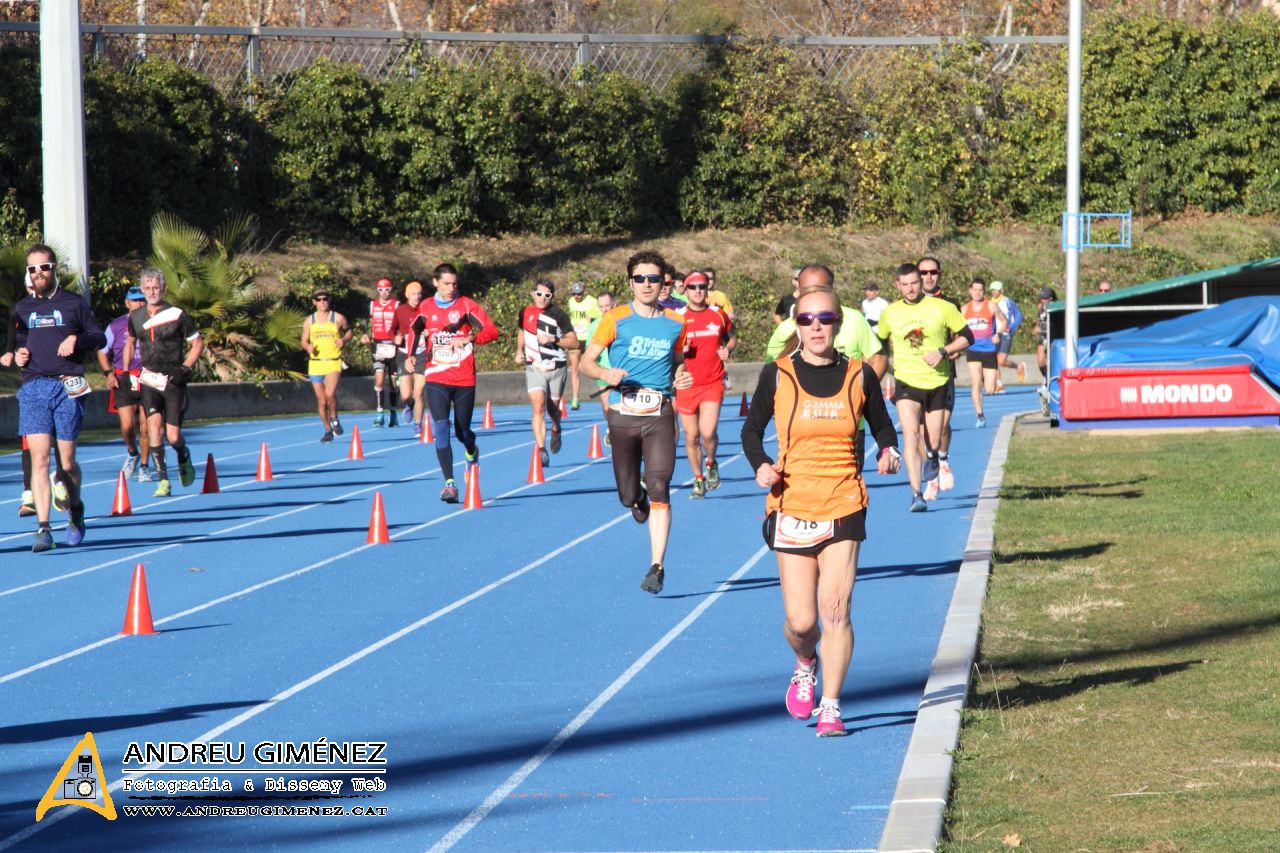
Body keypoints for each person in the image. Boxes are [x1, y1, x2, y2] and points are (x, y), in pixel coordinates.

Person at [742, 284, 902, 737]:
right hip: (792, 502)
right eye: (807, 319)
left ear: (839, 323)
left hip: (844, 502)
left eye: (825, 319)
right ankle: (804, 660)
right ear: (796, 324)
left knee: (836, 608)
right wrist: (761, 468)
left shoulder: (859, 374)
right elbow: (752, 432)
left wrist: (889, 450)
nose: (816, 327)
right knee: (802, 621)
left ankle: (831, 706)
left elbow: (882, 424)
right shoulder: (778, 374)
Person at [580, 250, 693, 594]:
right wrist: (605, 373)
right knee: (629, 494)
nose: (647, 284)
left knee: (660, 484)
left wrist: (681, 376)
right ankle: (636, 499)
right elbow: (586, 362)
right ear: (630, 282)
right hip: (623, 413)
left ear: (663, 283)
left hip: (660, 412)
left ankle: (657, 565)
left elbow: (678, 364)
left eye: (653, 278)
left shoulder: (676, 323)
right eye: (640, 278)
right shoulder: (615, 318)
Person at [12, 244, 106, 551]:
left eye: (44, 267)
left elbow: (99, 337)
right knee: (39, 459)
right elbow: (20, 341)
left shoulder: (74, 304)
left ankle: (75, 510)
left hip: (68, 386)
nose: (39, 273)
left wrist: (76, 338)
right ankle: (43, 527)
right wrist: (19, 353)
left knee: (65, 463)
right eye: (33, 269)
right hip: (34, 386)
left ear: (54, 269)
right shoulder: (23, 308)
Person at [876, 262, 972, 511]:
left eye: (914, 283)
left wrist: (943, 351)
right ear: (898, 285)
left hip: (937, 381)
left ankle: (933, 457)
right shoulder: (890, 313)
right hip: (906, 381)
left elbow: (967, 336)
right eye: (905, 285)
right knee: (910, 435)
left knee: (935, 438)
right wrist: (885, 368)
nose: (910, 289)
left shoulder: (942, 308)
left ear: (922, 283)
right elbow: (881, 343)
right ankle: (916, 493)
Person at [407, 263, 500, 503]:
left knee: (462, 431)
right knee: (440, 429)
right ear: (435, 282)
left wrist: (472, 337)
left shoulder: (467, 306)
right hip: (436, 376)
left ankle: (471, 451)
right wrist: (410, 356)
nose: (451, 288)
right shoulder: (425, 307)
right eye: (446, 283)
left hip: (463, 378)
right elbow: (414, 330)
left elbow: (492, 330)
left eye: (455, 284)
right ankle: (450, 484)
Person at [122, 268, 204, 497]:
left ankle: (182, 454)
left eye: (155, 287)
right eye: (147, 288)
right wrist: (127, 373)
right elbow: (129, 343)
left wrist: (184, 368)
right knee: (153, 430)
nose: (151, 292)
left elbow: (197, 344)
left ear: (164, 288)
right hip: (149, 379)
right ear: (142, 290)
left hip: (173, 380)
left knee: (173, 436)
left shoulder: (177, 314)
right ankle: (163, 480)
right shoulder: (136, 317)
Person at [5, 278, 71, 515]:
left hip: (60, 382)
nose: (35, 292)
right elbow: (11, 343)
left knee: (60, 441)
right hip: (32, 384)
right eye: (31, 288)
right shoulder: (20, 310)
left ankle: (60, 479)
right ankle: (29, 493)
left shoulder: (64, 308)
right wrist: (12, 354)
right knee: (31, 441)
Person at [676, 271, 735, 499]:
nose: (698, 291)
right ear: (686, 290)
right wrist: (681, 351)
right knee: (691, 436)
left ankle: (711, 462)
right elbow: (670, 350)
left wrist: (727, 349)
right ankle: (698, 479)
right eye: (693, 287)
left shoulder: (717, 314)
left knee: (707, 432)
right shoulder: (677, 317)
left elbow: (732, 337)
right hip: (687, 384)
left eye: (702, 286)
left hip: (712, 381)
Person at [515, 280, 577, 467]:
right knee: (538, 406)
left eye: (547, 295)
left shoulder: (559, 315)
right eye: (539, 294)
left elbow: (574, 343)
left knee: (552, 409)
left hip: (556, 367)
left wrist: (554, 339)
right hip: (534, 366)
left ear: (552, 297)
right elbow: (521, 330)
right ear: (533, 294)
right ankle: (541, 449)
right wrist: (519, 351)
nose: (543, 298)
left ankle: (556, 428)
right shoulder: (525, 312)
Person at [97, 285, 151, 480]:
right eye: (135, 300)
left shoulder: (153, 322)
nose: (139, 304)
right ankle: (132, 453)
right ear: (127, 303)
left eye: (142, 300)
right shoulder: (116, 325)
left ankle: (145, 466)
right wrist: (108, 374)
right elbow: (102, 351)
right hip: (123, 378)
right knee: (127, 426)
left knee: (146, 427)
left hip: (147, 377)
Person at [917, 256, 961, 492]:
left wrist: (955, 351)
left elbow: (961, 336)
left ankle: (943, 460)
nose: (928, 277)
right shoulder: (908, 304)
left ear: (939, 274)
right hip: (916, 375)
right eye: (923, 273)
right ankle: (931, 474)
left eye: (933, 272)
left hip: (944, 372)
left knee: (942, 425)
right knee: (924, 429)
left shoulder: (949, 303)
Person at [300, 288, 351, 443]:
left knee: (330, 394)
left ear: (329, 300)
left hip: (333, 362)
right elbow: (303, 340)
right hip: (315, 364)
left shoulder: (337, 318)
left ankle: (335, 418)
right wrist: (307, 347)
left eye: (325, 299)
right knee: (322, 401)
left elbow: (349, 331)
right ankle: (328, 429)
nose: (322, 302)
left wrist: (344, 340)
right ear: (314, 302)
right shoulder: (310, 321)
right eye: (319, 299)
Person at [962, 278, 1007, 429]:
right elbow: (957, 328)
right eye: (974, 289)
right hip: (973, 349)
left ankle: (984, 379)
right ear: (970, 291)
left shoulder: (991, 306)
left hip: (989, 351)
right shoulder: (964, 309)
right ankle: (980, 415)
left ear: (984, 291)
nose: (977, 292)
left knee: (990, 389)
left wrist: (998, 334)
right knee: (975, 383)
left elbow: (1004, 321)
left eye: (980, 290)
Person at [360, 278, 400, 427]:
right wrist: (365, 333)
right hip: (378, 346)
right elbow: (363, 321)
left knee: (394, 383)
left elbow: (403, 322)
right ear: (377, 290)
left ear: (391, 290)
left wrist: (400, 336)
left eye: (387, 290)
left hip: (393, 347)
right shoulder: (372, 305)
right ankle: (379, 414)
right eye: (381, 290)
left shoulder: (396, 305)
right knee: (379, 380)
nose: (384, 293)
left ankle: (394, 413)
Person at [392, 281, 427, 433]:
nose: (417, 297)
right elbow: (391, 331)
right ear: (407, 295)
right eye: (413, 294)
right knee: (406, 395)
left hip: (422, 353)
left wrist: (428, 333)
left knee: (418, 392)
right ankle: (408, 405)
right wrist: (395, 339)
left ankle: (418, 425)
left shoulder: (426, 309)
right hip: (404, 354)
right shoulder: (400, 310)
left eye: (419, 294)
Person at [564, 280, 600, 411]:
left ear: (584, 291)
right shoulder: (571, 302)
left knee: (593, 365)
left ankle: (604, 390)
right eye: (574, 294)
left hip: (589, 338)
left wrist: (592, 317)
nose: (576, 296)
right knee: (574, 368)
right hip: (575, 338)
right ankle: (575, 398)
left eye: (579, 293)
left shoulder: (592, 301)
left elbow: (600, 314)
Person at [585, 291, 616, 437]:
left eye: (607, 306)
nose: (605, 309)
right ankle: (611, 428)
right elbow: (588, 349)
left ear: (614, 304)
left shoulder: (622, 322)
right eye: (601, 306)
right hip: (602, 369)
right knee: (607, 405)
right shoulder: (595, 325)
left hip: (621, 369)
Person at [988, 281, 1023, 390]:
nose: (994, 292)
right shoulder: (989, 303)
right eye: (992, 290)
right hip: (994, 334)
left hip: (1006, 333)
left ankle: (1018, 366)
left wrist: (1011, 327)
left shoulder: (1007, 302)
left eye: (996, 290)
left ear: (1001, 290)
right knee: (993, 359)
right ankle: (998, 384)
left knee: (1001, 361)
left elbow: (1018, 315)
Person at [1032, 286, 1056, 380]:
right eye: (1041, 298)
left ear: (1050, 298)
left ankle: (1052, 379)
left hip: (1052, 335)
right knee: (1041, 361)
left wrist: (1041, 329)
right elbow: (1040, 320)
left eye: (1045, 298)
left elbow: (1054, 324)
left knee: (1051, 360)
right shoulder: (1040, 306)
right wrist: (1037, 326)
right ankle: (1046, 378)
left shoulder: (1054, 307)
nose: (1043, 300)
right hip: (1043, 336)